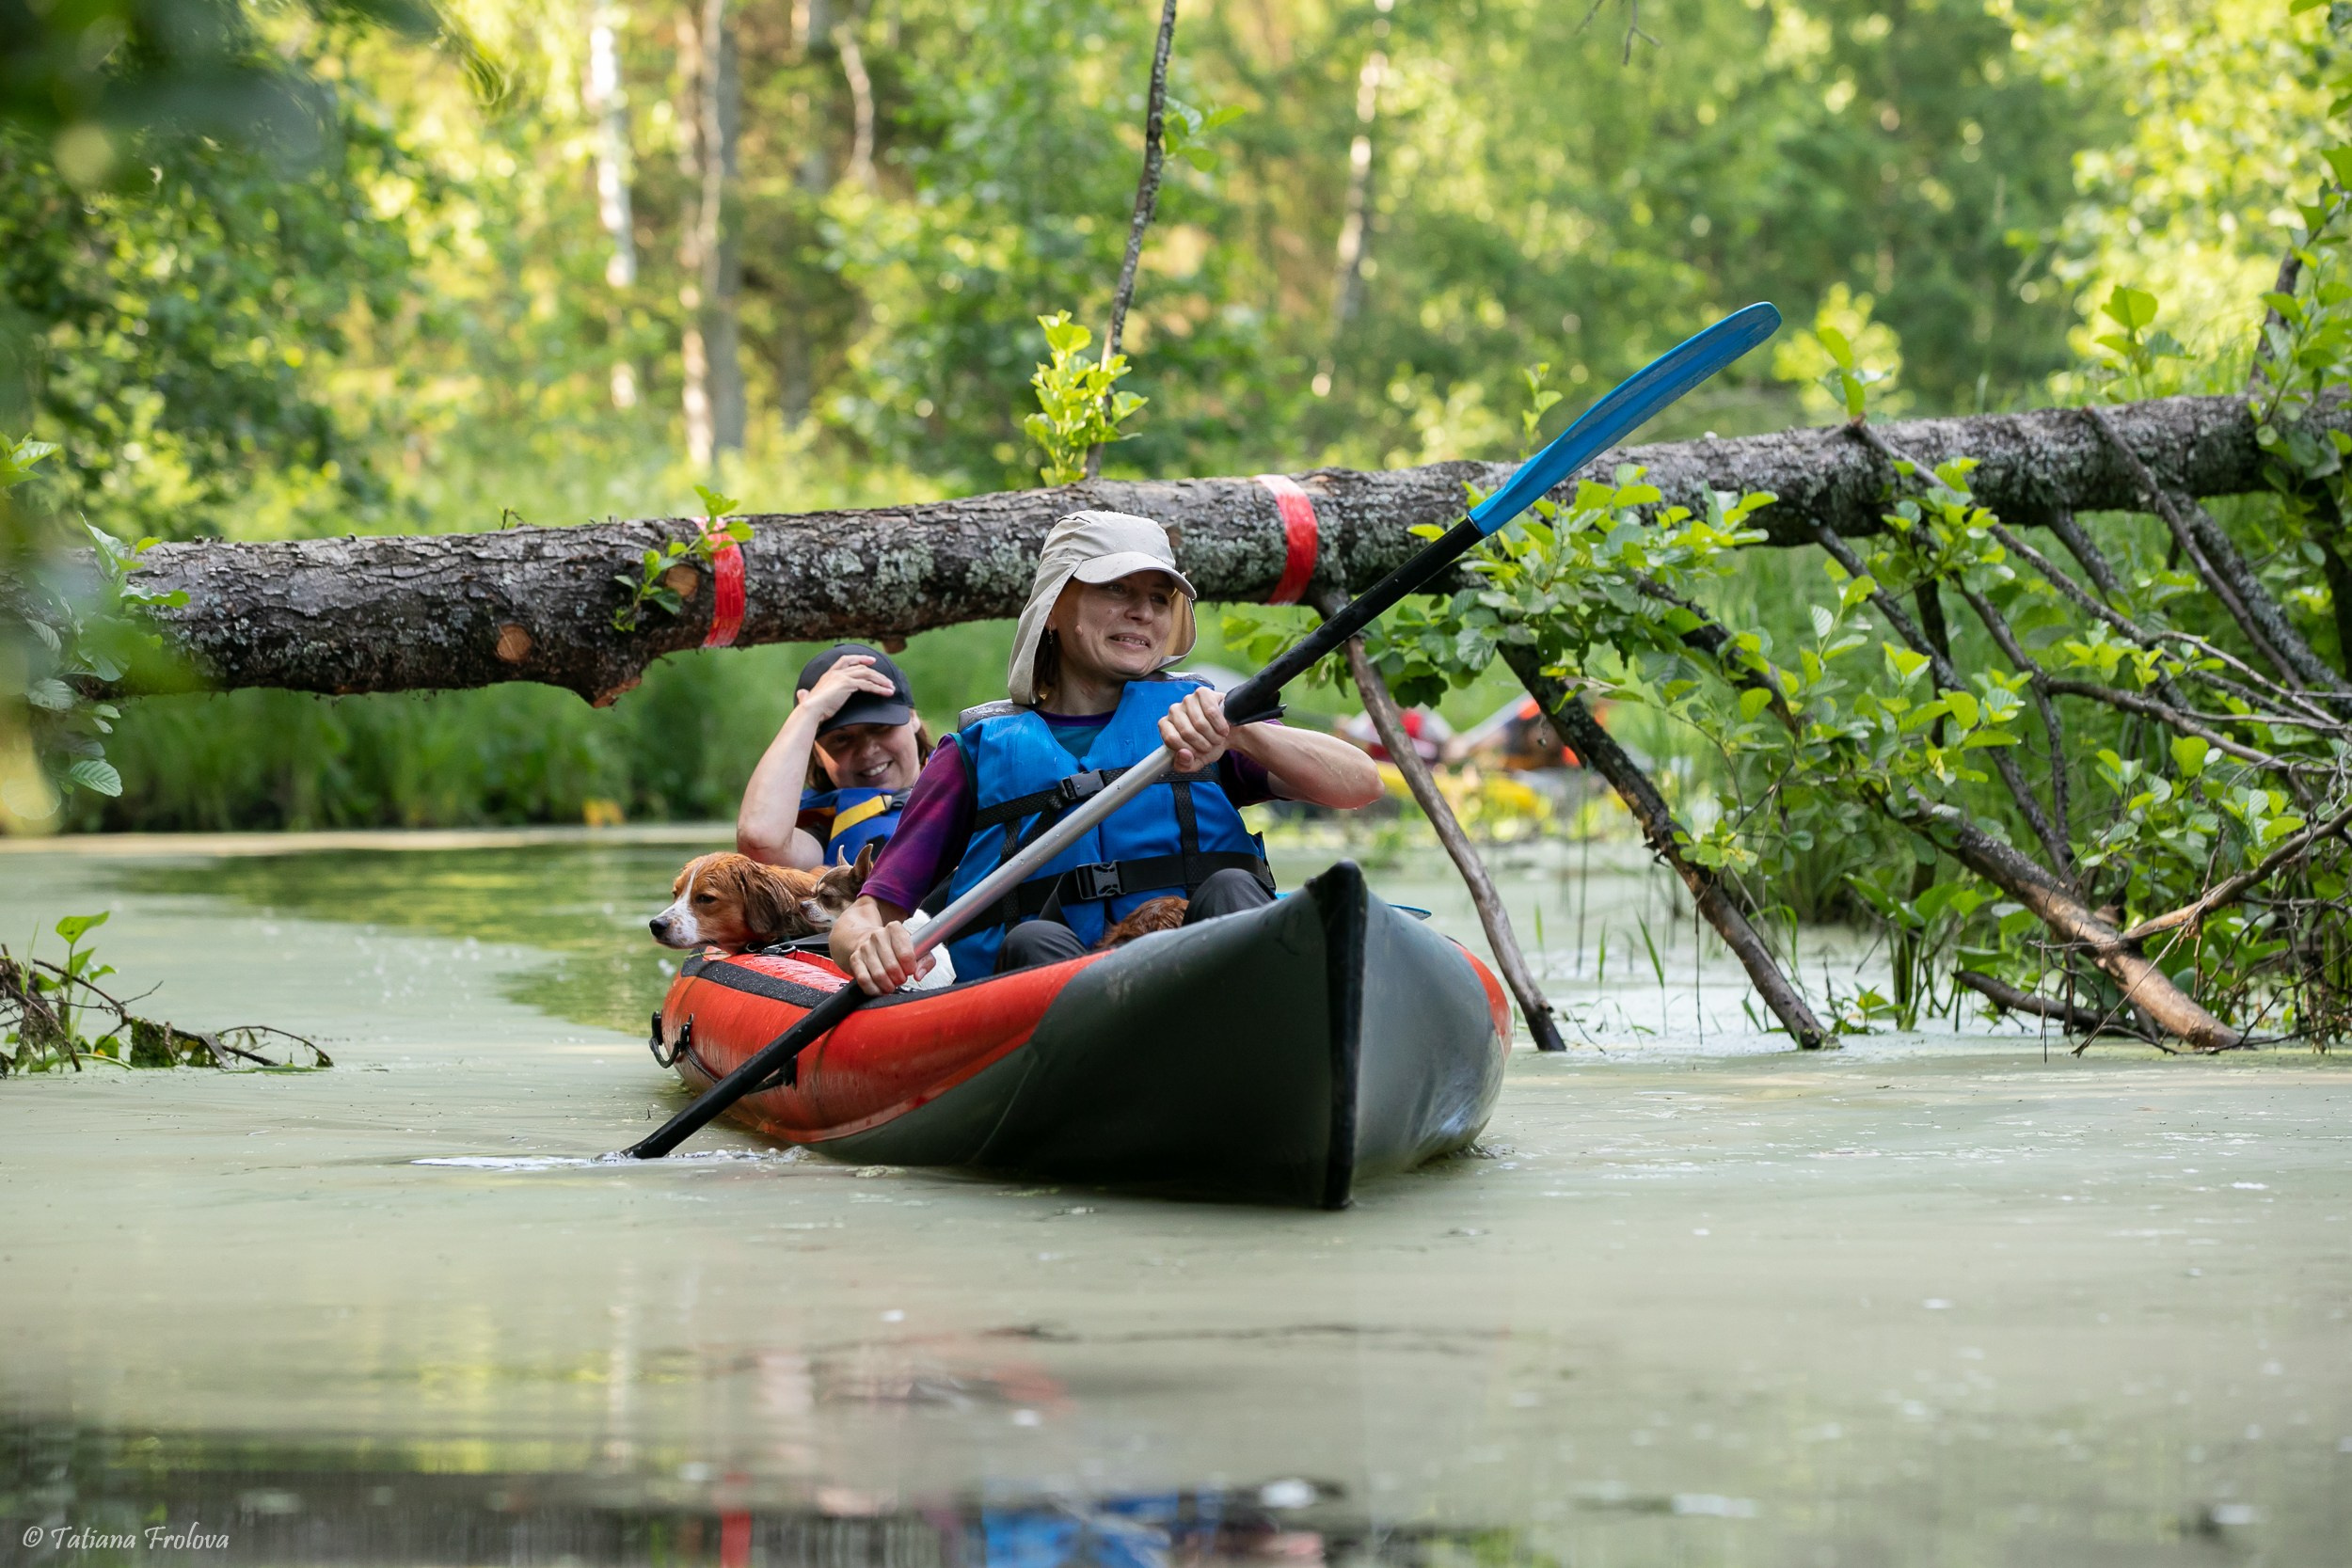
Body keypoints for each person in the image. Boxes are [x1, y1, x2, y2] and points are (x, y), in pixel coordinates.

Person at [829, 511, 1382, 995]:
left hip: (1213, 991)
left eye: (1159, 599)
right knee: (1033, 938)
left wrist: (1240, 732)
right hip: (1060, 1023)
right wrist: (869, 948)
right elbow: (866, 915)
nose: (1143, 612)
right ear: (1053, 609)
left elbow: (1359, 784)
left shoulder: (1203, 722)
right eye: (1116, 589)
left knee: (1233, 887)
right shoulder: (973, 753)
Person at [737, 643, 930, 871]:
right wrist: (809, 711)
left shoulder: (970, 778)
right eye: (841, 739)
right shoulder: (822, 828)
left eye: (880, 727)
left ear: (913, 717)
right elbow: (760, 840)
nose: (867, 751)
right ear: (817, 754)